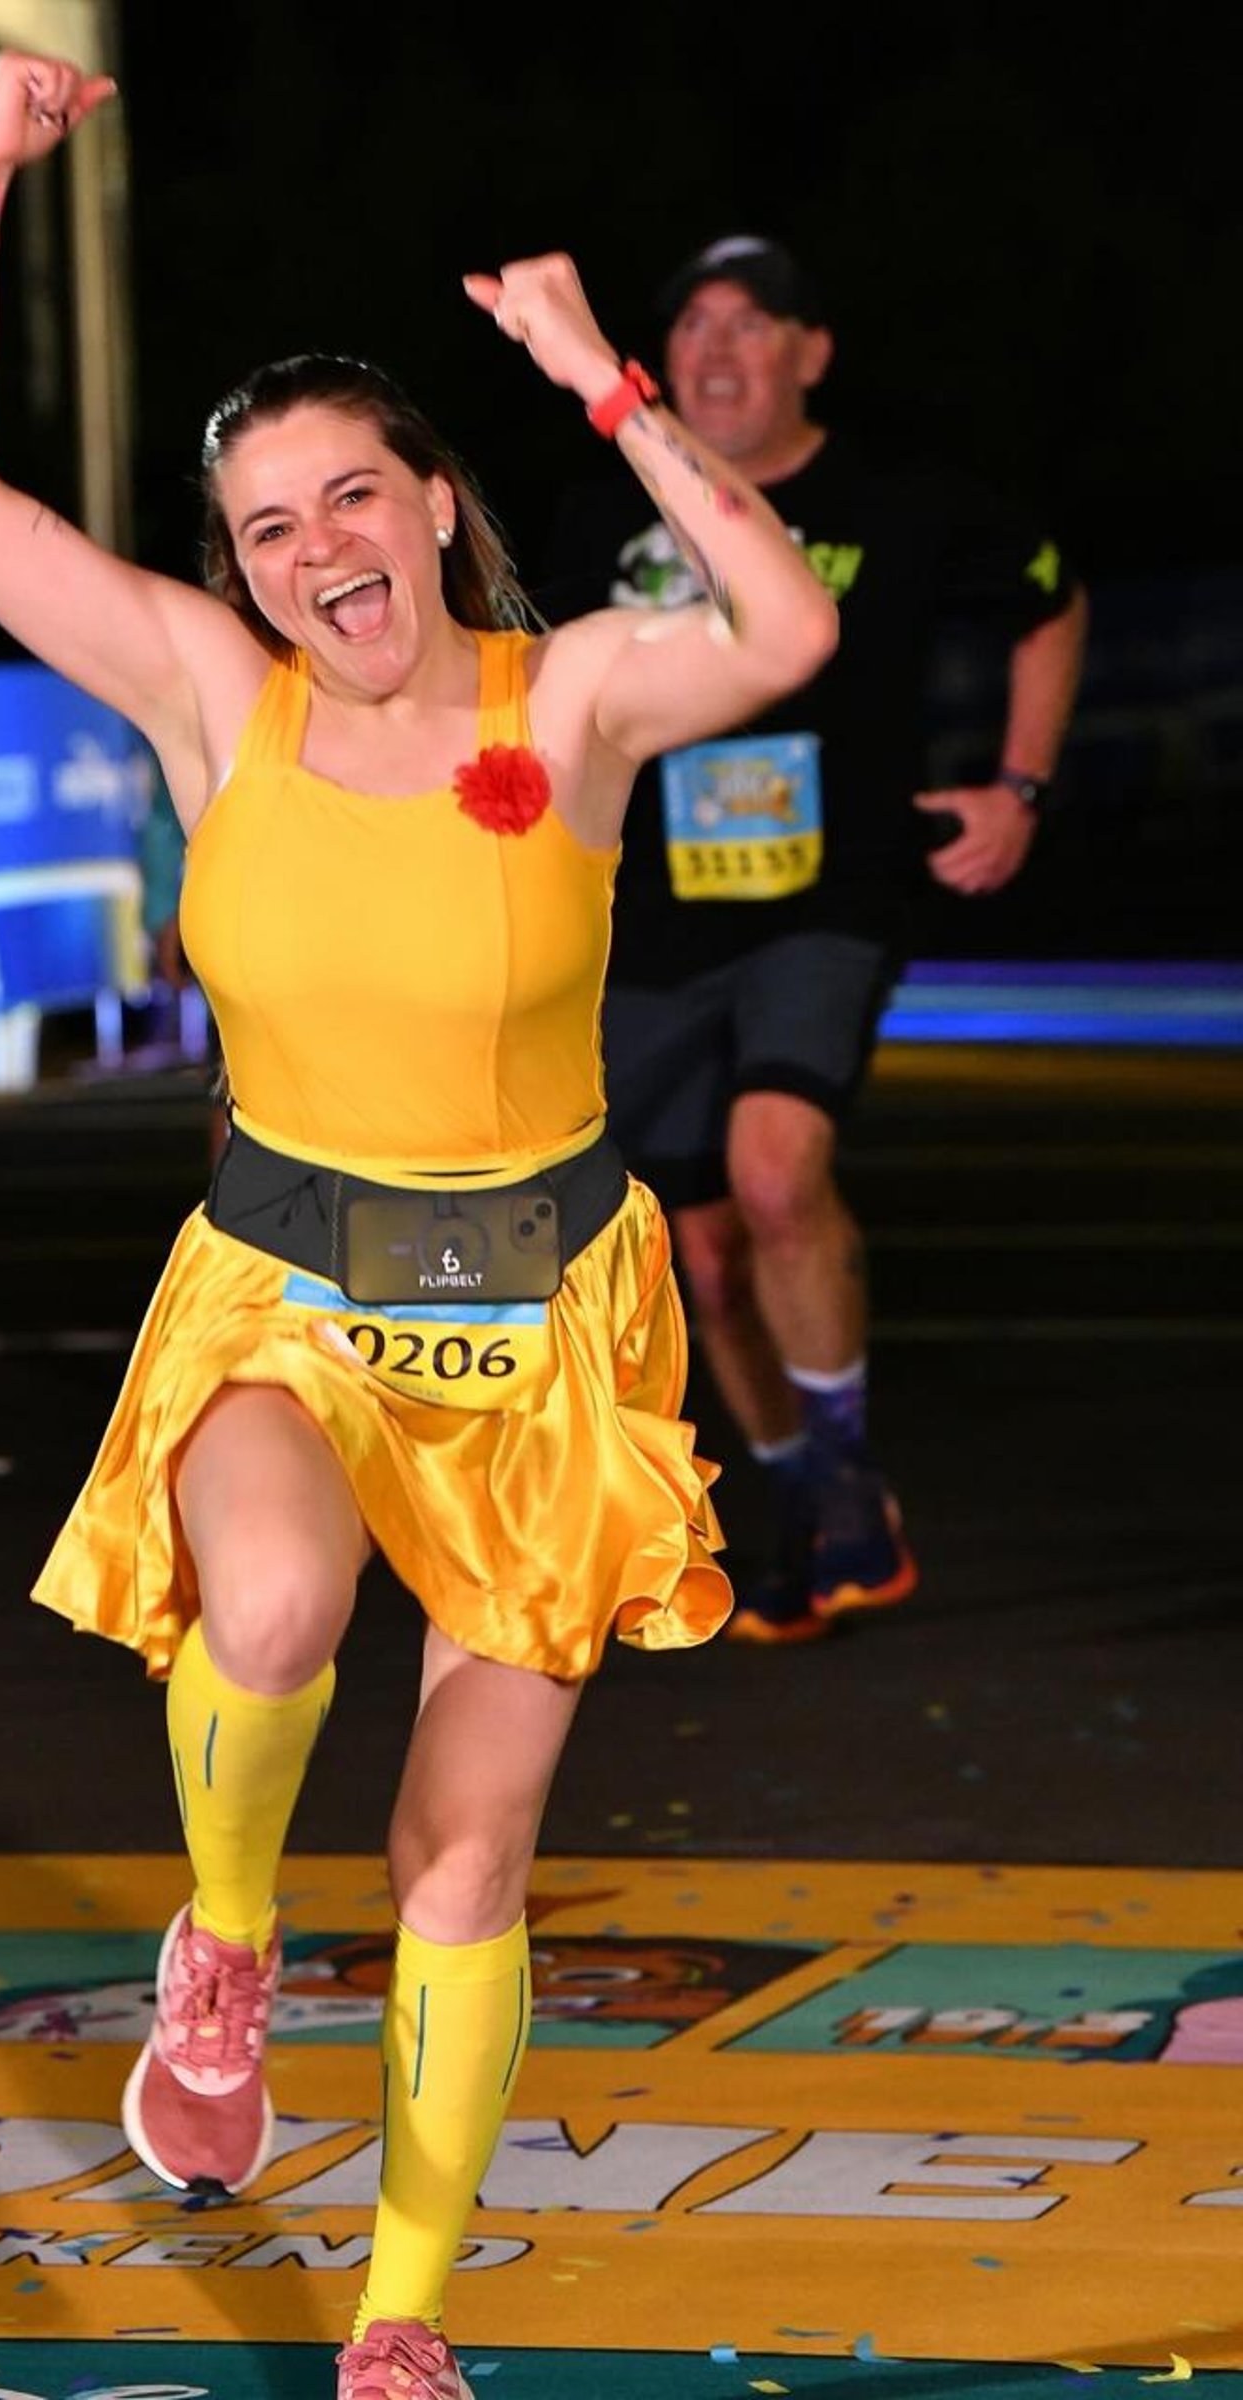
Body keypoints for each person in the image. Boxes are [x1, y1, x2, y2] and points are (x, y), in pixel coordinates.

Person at [0, 62, 836, 2399]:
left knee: (460, 1862)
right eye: (267, 524)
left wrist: (605, 380)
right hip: (287, 1303)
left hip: (548, 1339)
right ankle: (220, 1948)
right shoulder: (220, 703)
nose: (317, 548)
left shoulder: (573, 701)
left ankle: (401, 2317)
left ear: (431, 507)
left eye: (351, 495)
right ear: (239, 572)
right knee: (280, 1602)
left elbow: (785, 628)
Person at [539, 233, 1088, 1645]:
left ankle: (842, 1483)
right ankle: (804, 1493)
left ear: (813, 354)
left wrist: (1018, 790)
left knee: (776, 1170)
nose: (718, 348)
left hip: (824, 905)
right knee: (708, 1257)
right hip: (647, 930)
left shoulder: (899, 500)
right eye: (694, 325)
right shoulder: (598, 515)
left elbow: (1051, 600)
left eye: (753, 323)